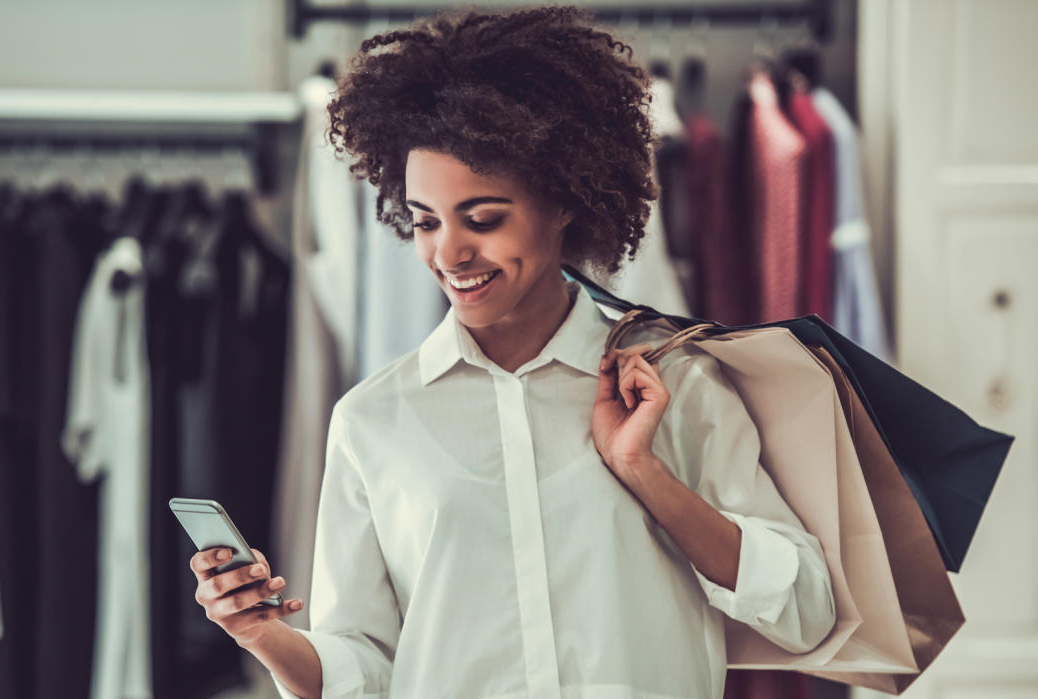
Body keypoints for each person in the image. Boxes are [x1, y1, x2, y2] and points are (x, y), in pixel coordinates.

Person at [190, 6, 835, 698]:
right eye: (425, 221)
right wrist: (263, 635)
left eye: (484, 218)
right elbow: (366, 670)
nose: (449, 253)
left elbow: (806, 612)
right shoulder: (372, 420)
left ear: (565, 201)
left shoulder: (677, 381)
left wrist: (644, 473)